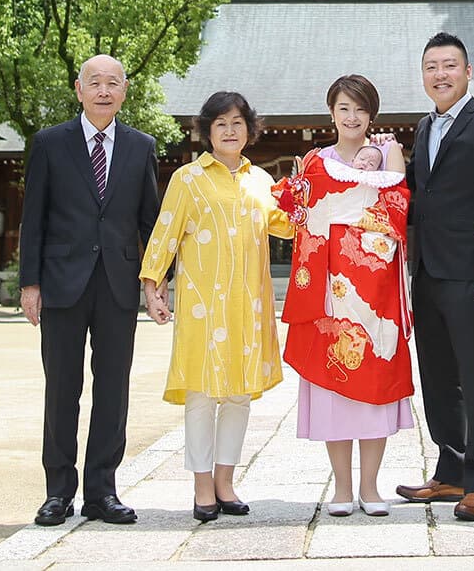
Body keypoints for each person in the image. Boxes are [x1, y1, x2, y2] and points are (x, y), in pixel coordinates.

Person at [19, 53, 161, 528]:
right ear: (79, 90)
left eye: (113, 83)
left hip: (118, 283)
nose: (104, 91)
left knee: (113, 389)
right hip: (62, 282)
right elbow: (33, 218)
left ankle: (102, 490)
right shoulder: (49, 143)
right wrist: (30, 283)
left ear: (124, 91)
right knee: (62, 388)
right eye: (94, 82)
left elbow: (150, 222)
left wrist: (155, 280)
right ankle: (58, 492)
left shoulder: (141, 146)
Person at [140, 91, 292, 522]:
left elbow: (288, 225)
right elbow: (165, 233)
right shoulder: (187, 179)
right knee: (203, 395)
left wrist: (312, 196)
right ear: (207, 131)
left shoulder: (260, 180)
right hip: (202, 307)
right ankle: (202, 484)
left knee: (239, 395)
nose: (229, 130)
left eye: (237, 122)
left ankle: (226, 481)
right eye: (221, 123)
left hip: (249, 305)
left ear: (249, 130)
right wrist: (153, 284)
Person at [275, 74, 414, 517]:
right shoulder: (315, 160)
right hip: (329, 289)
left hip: (375, 290)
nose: (352, 117)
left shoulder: (388, 153)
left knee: (374, 383)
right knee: (332, 388)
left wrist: (350, 217)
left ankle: (370, 487)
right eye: (344, 109)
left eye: (360, 109)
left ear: (372, 115)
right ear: (331, 113)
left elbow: (396, 207)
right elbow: (301, 218)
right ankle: (341, 487)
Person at [395, 33, 474, 522]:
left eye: (449, 65)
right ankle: (451, 470)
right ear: (423, 76)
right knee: (438, 377)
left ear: (468, 72)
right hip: (427, 271)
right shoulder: (424, 127)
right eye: (431, 67)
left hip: (471, 272)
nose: (440, 74)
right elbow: (418, 194)